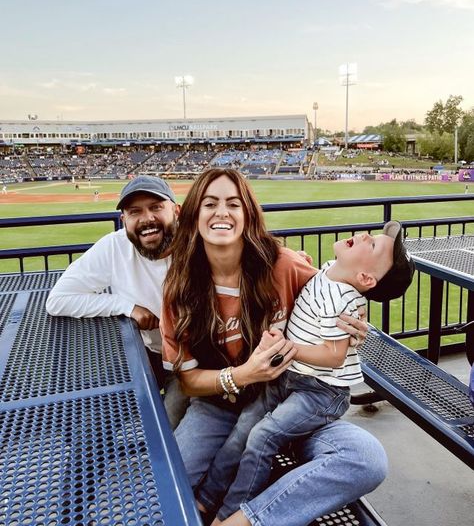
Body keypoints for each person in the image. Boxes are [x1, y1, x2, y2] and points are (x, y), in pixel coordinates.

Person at [160, 168, 387, 526]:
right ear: (194, 216)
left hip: (290, 399)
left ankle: (244, 520)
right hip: (219, 407)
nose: (222, 212)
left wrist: (357, 322)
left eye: (233, 204)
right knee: (165, 492)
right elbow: (188, 383)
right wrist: (242, 375)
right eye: (210, 203)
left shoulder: (282, 265)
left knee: (365, 458)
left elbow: (341, 293)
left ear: (248, 215)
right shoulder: (180, 290)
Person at [198, 221, 415, 524]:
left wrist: (289, 348)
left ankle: (230, 514)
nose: (366, 235)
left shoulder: (345, 300)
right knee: (246, 425)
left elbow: (334, 355)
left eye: (374, 244)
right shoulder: (328, 271)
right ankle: (206, 499)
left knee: (262, 435)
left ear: (365, 276)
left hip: (318, 392)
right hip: (290, 379)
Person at [46, 175, 188, 428]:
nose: (147, 219)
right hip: (145, 354)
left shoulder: (200, 244)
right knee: (94, 420)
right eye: (135, 212)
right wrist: (126, 306)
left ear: (176, 211)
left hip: (192, 360)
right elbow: (58, 300)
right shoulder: (115, 246)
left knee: (168, 426)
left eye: (156, 207)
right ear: (124, 221)